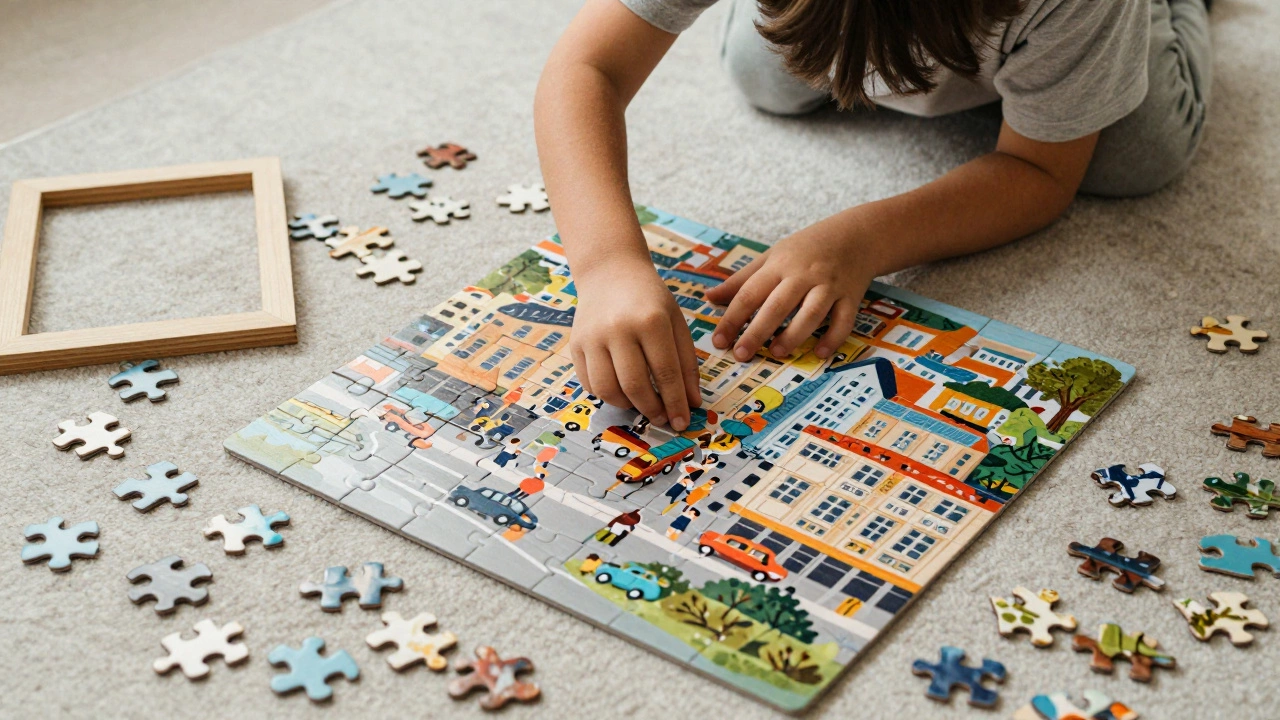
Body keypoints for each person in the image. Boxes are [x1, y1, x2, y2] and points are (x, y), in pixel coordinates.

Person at [534, 0, 1212, 431]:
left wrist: (861, 238)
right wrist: (607, 264)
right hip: (865, 20)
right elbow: (587, 67)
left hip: (1054, 24)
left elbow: (1040, 173)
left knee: (1135, 159)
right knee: (761, 78)